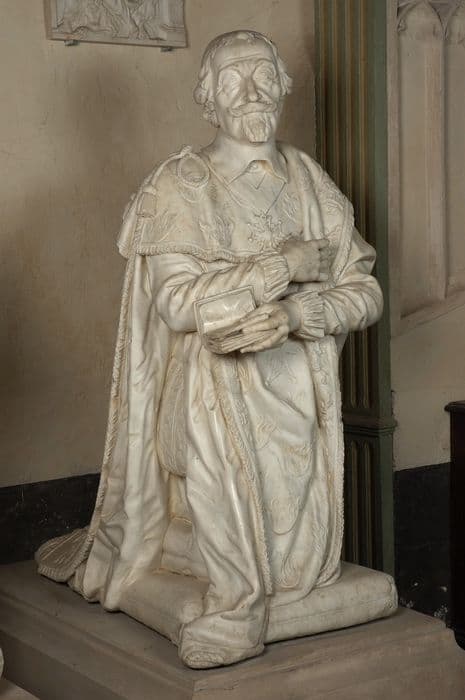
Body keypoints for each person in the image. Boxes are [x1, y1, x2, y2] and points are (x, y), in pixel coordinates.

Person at [37, 30, 384, 668]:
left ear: (283, 86)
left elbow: (365, 291)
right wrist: (280, 268)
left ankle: (210, 558)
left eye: (263, 75)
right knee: (252, 566)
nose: (251, 93)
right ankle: (233, 603)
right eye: (231, 81)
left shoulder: (310, 182)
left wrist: (300, 314)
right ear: (209, 100)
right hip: (212, 395)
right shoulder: (179, 187)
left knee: (300, 568)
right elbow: (178, 304)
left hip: (301, 396)